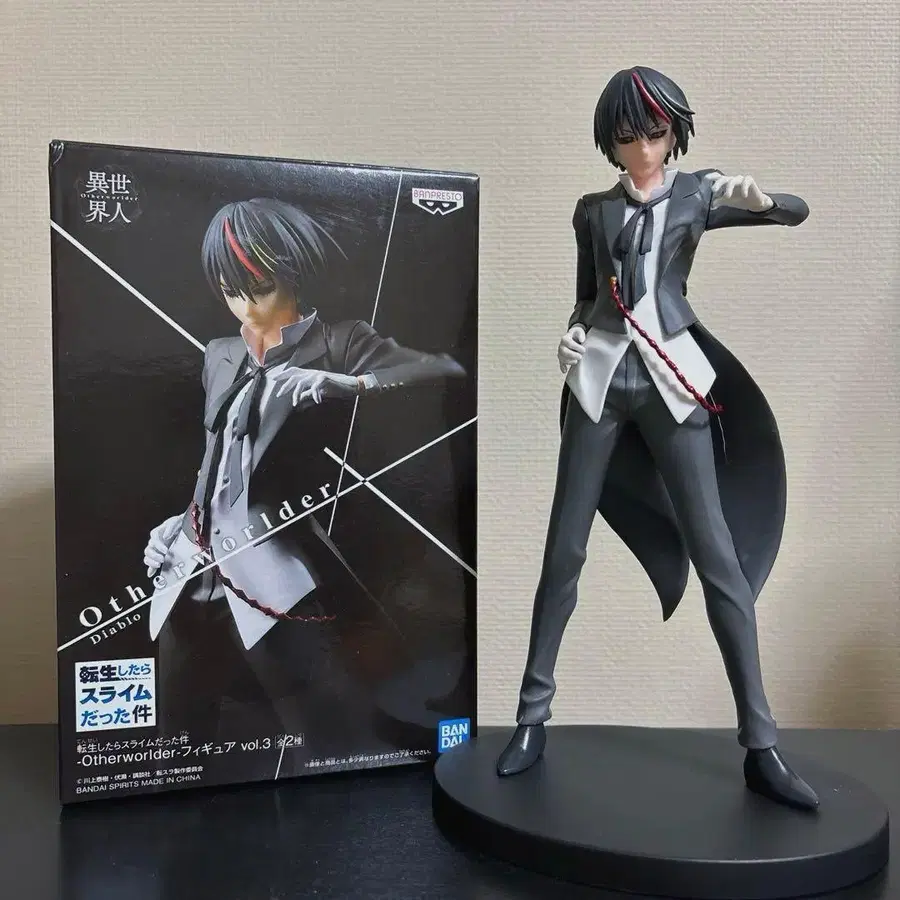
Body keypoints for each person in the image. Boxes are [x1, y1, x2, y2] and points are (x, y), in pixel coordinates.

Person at [496, 66, 819, 811]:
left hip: (674, 382)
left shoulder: (697, 194)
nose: (642, 149)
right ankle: (532, 718)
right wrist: (570, 340)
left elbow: (795, 213)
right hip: (602, 383)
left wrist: (762, 201)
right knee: (563, 550)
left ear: (673, 133)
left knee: (718, 557)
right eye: (627, 136)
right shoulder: (592, 211)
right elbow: (585, 299)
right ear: (608, 142)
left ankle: (761, 745)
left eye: (655, 133)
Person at [142, 197, 466, 758]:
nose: (246, 308)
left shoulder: (340, 343)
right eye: (230, 291)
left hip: (275, 567)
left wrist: (352, 383)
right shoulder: (220, 355)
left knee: (320, 741)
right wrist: (178, 524)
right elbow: (216, 459)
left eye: (260, 288)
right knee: (174, 742)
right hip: (189, 567)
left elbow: (443, 369)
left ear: (292, 273)